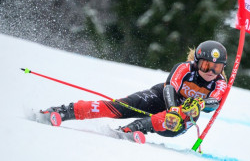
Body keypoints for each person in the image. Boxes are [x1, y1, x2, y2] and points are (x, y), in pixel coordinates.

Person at [42, 40, 228, 137]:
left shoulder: (219, 82)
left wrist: (199, 106)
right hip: (161, 98)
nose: (211, 71)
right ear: (197, 62)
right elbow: (170, 87)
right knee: (122, 106)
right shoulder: (185, 68)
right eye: (206, 66)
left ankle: (134, 129)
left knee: (179, 115)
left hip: (182, 117)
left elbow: (216, 101)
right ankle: (66, 111)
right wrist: (171, 108)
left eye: (217, 67)